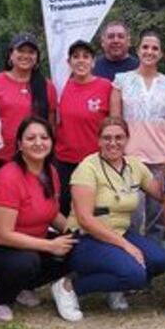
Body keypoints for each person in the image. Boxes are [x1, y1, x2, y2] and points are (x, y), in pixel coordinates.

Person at [52, 117, 165, 321]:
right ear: (98, 141)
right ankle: (68, 287)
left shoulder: (134, 165)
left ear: (127, 139)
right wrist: (127, 246)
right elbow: (85, 219)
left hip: (119, 233)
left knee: (160, 260)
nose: (113, 143)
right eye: (107, 138)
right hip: (85, 238)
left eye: (119, 137)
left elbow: (160, 194)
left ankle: (115, 283)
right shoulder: (87, 168)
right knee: (135, 274)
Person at [0, 117, 75, 322]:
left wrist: (75, 230)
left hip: (31, 242)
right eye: (31, 138)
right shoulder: (8, 177)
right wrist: (49, 245)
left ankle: (22, 287)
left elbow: (51, 212)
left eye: (44, 137)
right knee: (28, 262)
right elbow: (4, 235)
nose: (38, 142)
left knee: (76, 247)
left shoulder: (50, 172)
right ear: (19, 144)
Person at [110, 29, 165, 241]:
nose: (149, 51)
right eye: (145, 47)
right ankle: (132, 258)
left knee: (157, 218)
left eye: (155, 48)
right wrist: (117, 152)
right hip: (131, 158)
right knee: (131, 214)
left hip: (163, 157)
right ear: (138, 49)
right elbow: (115, 121)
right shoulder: (121, 81)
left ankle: (154, 261)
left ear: (161, 54)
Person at [54, 40, 113, 215]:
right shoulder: (60, 86)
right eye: (76, 56)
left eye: (86, 56)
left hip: (96, 160)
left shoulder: (106, 86)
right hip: (65, 160)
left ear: (93, 62)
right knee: (65, 206)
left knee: (97, 211)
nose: (81, 61)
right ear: (69, 62)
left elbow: (114, 123)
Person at [0, 33, 57, 165]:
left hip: (34, 158)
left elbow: (50, 124)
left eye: (31, 52)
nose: (26, 56)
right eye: (20, 51)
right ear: (11, 55)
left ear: (37, 57)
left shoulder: (46, 86)